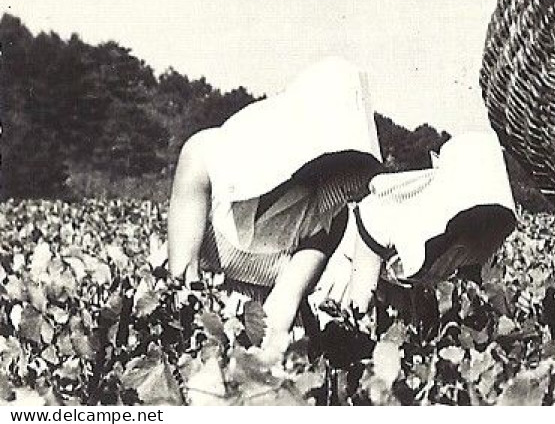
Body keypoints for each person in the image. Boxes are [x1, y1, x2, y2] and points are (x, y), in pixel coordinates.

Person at [166, 57, 384, 348]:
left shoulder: (327, 218)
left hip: (262, 324)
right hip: (198, 316)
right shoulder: (206, 157)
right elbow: (183, 277)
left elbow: (279, 313)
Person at [310, 128, 519, 319]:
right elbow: (361, 296)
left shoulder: (481, 239)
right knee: (351, 321)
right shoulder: (390, 217)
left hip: (400, 284)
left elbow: (480, 291)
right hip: (356, 261)